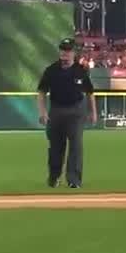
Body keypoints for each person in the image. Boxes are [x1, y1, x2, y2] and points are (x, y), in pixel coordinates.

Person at [37, 38, 98, 189]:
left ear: (73, 53)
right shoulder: (51, 70)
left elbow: (90, 93)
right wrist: (43, 112)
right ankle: (54, 177)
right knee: (56, 147)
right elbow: (41, 92)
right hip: (56, 111)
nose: (65, 53)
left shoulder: (80, 71)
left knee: (76, 146)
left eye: (68, 50)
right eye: (63, 50)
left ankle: (74, 180)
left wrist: (93, 112)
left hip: (76, 111)